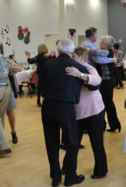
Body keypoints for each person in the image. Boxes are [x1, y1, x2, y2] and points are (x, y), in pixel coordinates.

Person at [39, 39, 88, 187]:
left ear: (58, 49)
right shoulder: (79, 67)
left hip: (47, 106)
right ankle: (70, 178)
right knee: (72, 143)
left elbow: (40, 86)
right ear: (72, 51)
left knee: (51, 142)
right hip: (66, 108)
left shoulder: (47, 65)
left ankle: (55, 177)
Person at [62, 46, 108, 179]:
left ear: (81, 57)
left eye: (74, 56)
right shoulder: (69, 69)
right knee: (72, 143)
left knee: (96, 142)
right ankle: (66, 168)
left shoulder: (89, 68)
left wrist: (80, 75)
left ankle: (101, 170)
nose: (71, 58)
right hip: (77, 113)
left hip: (94, 111)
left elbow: (96, 80)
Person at [89, 35, 121, 132]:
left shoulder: (107, 52)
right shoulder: (109, 52)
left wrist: (86, 49)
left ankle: (101, 126)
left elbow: (94, 54)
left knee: (101, 103)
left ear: (106, 44)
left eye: (102, 42)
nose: (99, 43)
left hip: (107, 82)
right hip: (108, 81)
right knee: (108, 103)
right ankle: (114, 125)